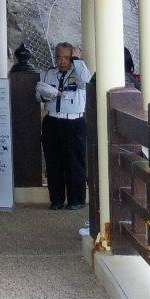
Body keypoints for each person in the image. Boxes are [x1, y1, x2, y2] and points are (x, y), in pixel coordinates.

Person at [36, 42, 92, 210]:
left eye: (67, 58)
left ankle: (76, 200)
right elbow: (39, 95)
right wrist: (47, 95)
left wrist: (78, 60)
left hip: (73, 122)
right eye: (59, 58)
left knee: (74, 162)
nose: (62, 62)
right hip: (52, 121)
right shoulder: (50, 73)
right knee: (53, 162)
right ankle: (57, 199)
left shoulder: (79, 72)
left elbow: (86, 82)